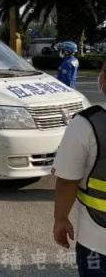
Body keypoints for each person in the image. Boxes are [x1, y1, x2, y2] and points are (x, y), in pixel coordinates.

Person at [53, 62, 106, 276]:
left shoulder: (87, 124)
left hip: (97, 241)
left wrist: (60, 219)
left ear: (103, 81)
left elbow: (67, 180)